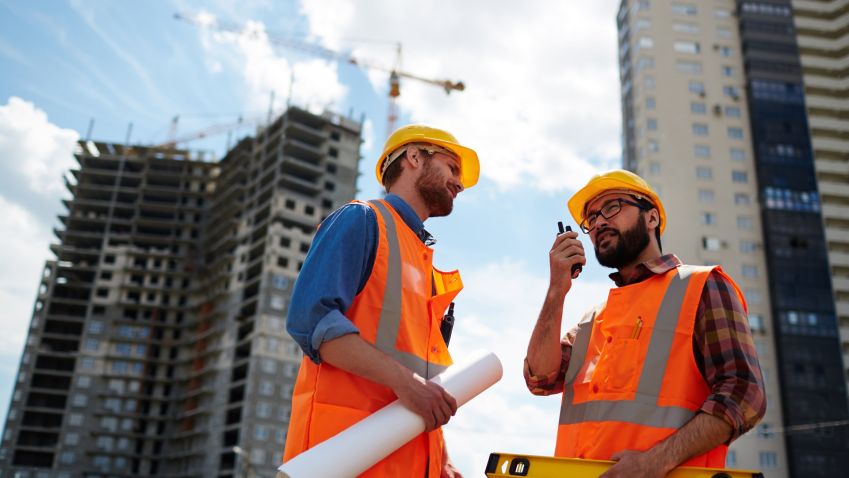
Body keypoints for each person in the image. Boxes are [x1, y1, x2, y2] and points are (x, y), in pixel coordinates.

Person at [525, 170, 766, 477]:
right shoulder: (593, 320)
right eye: (591, 219)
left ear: (651, 218)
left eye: (612, 207)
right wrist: (557, 289)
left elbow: (745, 394)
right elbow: (539, 378)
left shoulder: (702, 286)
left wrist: (656, 461)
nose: (598, 222)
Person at [282, 124, 479, 477]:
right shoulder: (361, 220)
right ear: (415, 157)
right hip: (340, 462)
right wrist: (407, 384)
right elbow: (311, 321)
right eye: (452, 167)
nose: (460, 184)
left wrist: (441, 457)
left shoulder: (425, 268)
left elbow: (426, 381)